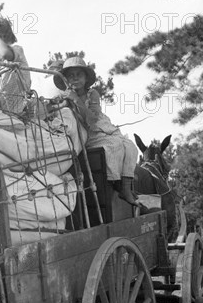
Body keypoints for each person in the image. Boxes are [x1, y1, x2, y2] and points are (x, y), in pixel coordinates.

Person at [54, 56, 140, 207]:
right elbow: (56, 109)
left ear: (86, 78)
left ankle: (125, 187)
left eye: (79, 75)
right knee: (114, 146)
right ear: (66, 80)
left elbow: (92, 119)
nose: (75, 79)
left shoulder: (92, 94)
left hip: (102, 128)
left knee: (131, 146)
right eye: (71, 76)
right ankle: (115, 183)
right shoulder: (63, 96)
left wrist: (76, 99)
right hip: (89, 135)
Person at [0, 16, 31, 115]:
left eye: (4, 36)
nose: (2, 39)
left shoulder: (17, 51)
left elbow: (5, 53)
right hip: (1, 117)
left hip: (18, 115)